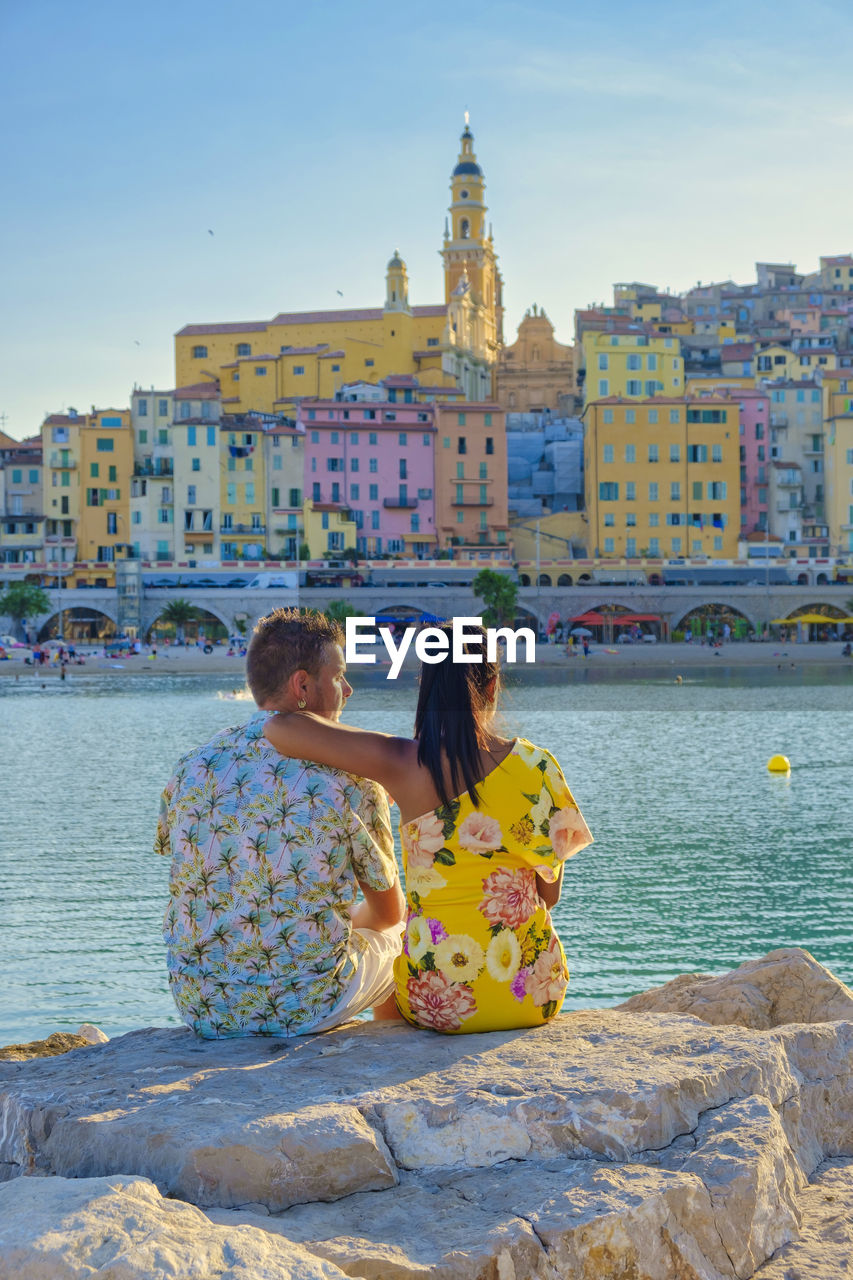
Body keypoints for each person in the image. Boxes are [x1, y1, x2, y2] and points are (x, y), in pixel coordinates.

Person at [264, 623, 593, 1035]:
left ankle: (393, 1049)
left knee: (388, 940)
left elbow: (279, 728)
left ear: (428, 687)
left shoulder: (401, 762)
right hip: (532, 996)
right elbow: (550, 894)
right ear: (491, 686)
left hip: (438, 1007)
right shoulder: (539, 766)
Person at [156, 608, 404, 1038]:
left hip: (201, 1005)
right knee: (407, 931)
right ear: (302, 685)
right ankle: (392, 1056)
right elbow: (387, 913)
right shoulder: (352, 780)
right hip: (306, 1006)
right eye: (339, 675)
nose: (348, 689)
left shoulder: (190, 767)